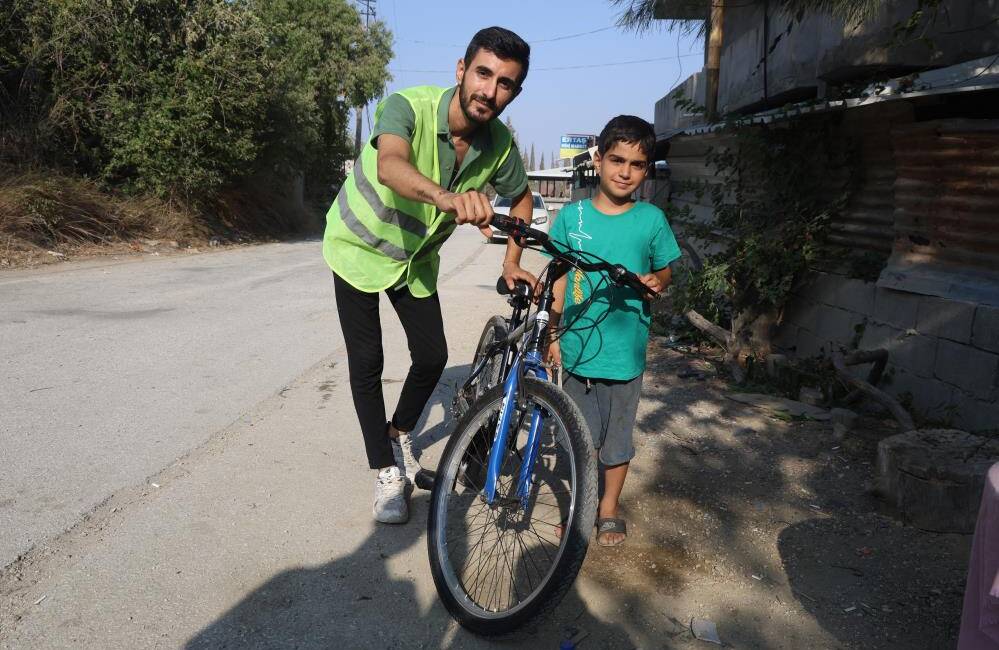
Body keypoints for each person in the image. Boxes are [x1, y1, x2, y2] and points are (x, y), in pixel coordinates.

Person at [322, 27, 537, 525]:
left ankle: (397, 436)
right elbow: (390, 165)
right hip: (357, 246)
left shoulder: (500, 146)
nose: (490, 90)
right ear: (462, 71)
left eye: (505, 83)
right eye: (483, 73)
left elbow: (522, 198)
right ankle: (385, 471)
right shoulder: (408, 106)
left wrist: (511, 259)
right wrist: (447, 198)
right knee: (368, 359)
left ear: (515, 92)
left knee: (433, 356)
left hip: (413, 259)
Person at [545, 115, 681, 546]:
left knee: (617, 441)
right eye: (616, 160)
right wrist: (552, 333)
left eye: (637, 164)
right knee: (578, 437)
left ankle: (608, 509)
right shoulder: (572, 217)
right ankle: (581, 506)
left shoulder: (651, 220)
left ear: (646, 171)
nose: (625, 172)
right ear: (599, 160)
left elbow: (664, 271)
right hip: (577, 349)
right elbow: (559, 279)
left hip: (626, 353)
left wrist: (657, 283)